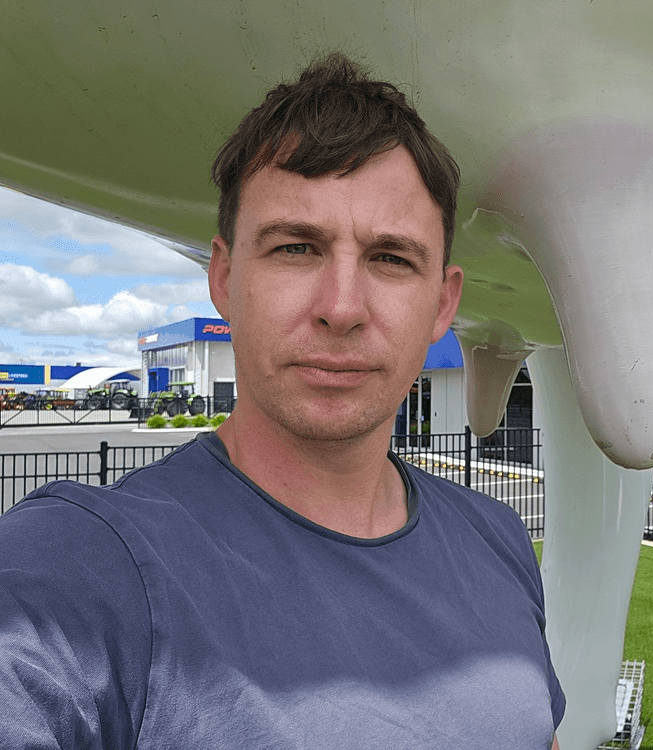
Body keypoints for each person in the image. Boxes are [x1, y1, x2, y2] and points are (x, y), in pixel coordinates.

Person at [0, 53, 564, 748]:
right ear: (224, 279)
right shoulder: (80, 563)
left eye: (391, 258)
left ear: (443, 305)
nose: (342, 308)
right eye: (297, 248)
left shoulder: (498, 539)